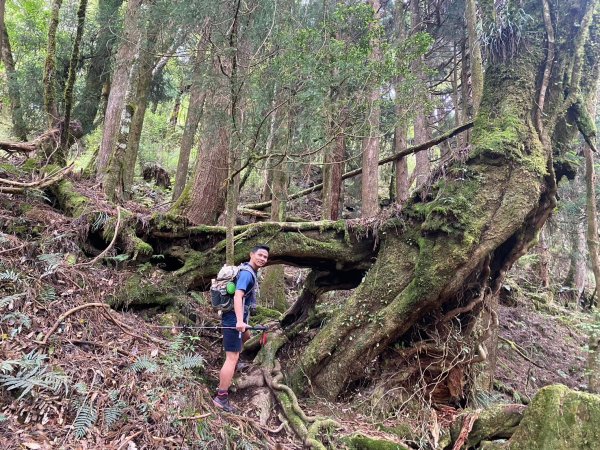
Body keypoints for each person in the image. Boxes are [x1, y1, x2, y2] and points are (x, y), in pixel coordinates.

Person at [213, 245, 269, 412]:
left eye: (265, 257)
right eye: (260, 255)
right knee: (232, 357)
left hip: (238, 318)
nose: (263, 259)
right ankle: (221, 397)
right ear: (251, 254)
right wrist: (239, 321)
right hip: (233, 318)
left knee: (246, 337)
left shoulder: (248, 270)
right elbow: (238, 295)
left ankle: (241, 362)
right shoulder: (246, 273)